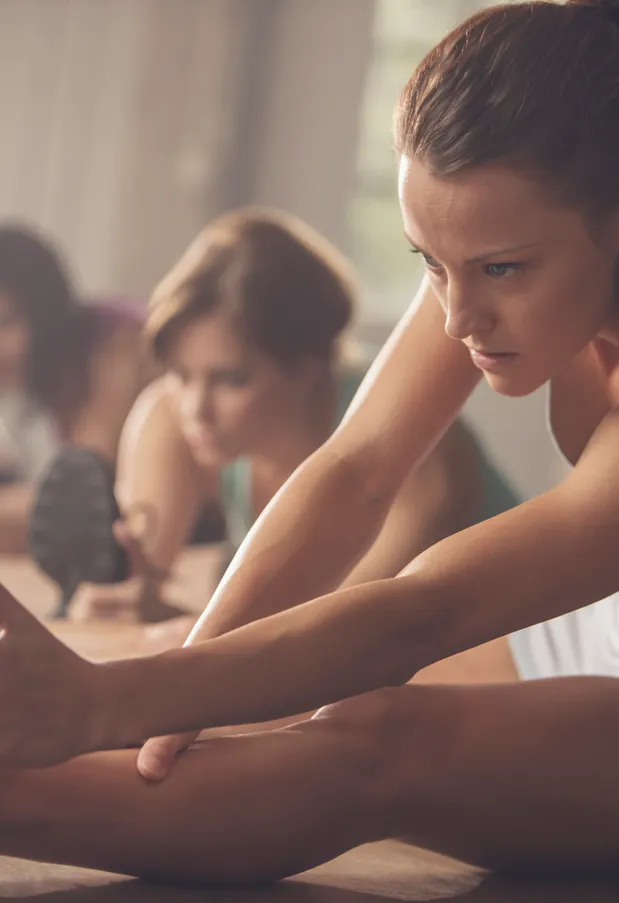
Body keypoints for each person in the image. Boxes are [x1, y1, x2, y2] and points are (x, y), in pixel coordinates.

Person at [1, 0, 618, 883]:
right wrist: (174, 698)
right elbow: (355, 469)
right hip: (588, 624)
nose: (455, 316)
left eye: (500, 271)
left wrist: (99, 701)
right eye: (427, 263)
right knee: (253, 690)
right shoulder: (483, 250)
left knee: (374, 743)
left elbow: (422, 610)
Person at [46, 207, 516, 629]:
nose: (195, 408)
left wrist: (194, 632)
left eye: (231, 380)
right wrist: (136, 599)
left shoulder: (418, 445)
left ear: (306, 366)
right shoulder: (176, 414)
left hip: (522, 655)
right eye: (180, 374)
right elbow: (143, 590)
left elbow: (340, 638)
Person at [0, 225, 146, 556]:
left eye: (5, 323)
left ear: (45, 311)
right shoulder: (54, 379)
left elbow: (78, 503)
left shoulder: (118, 345)